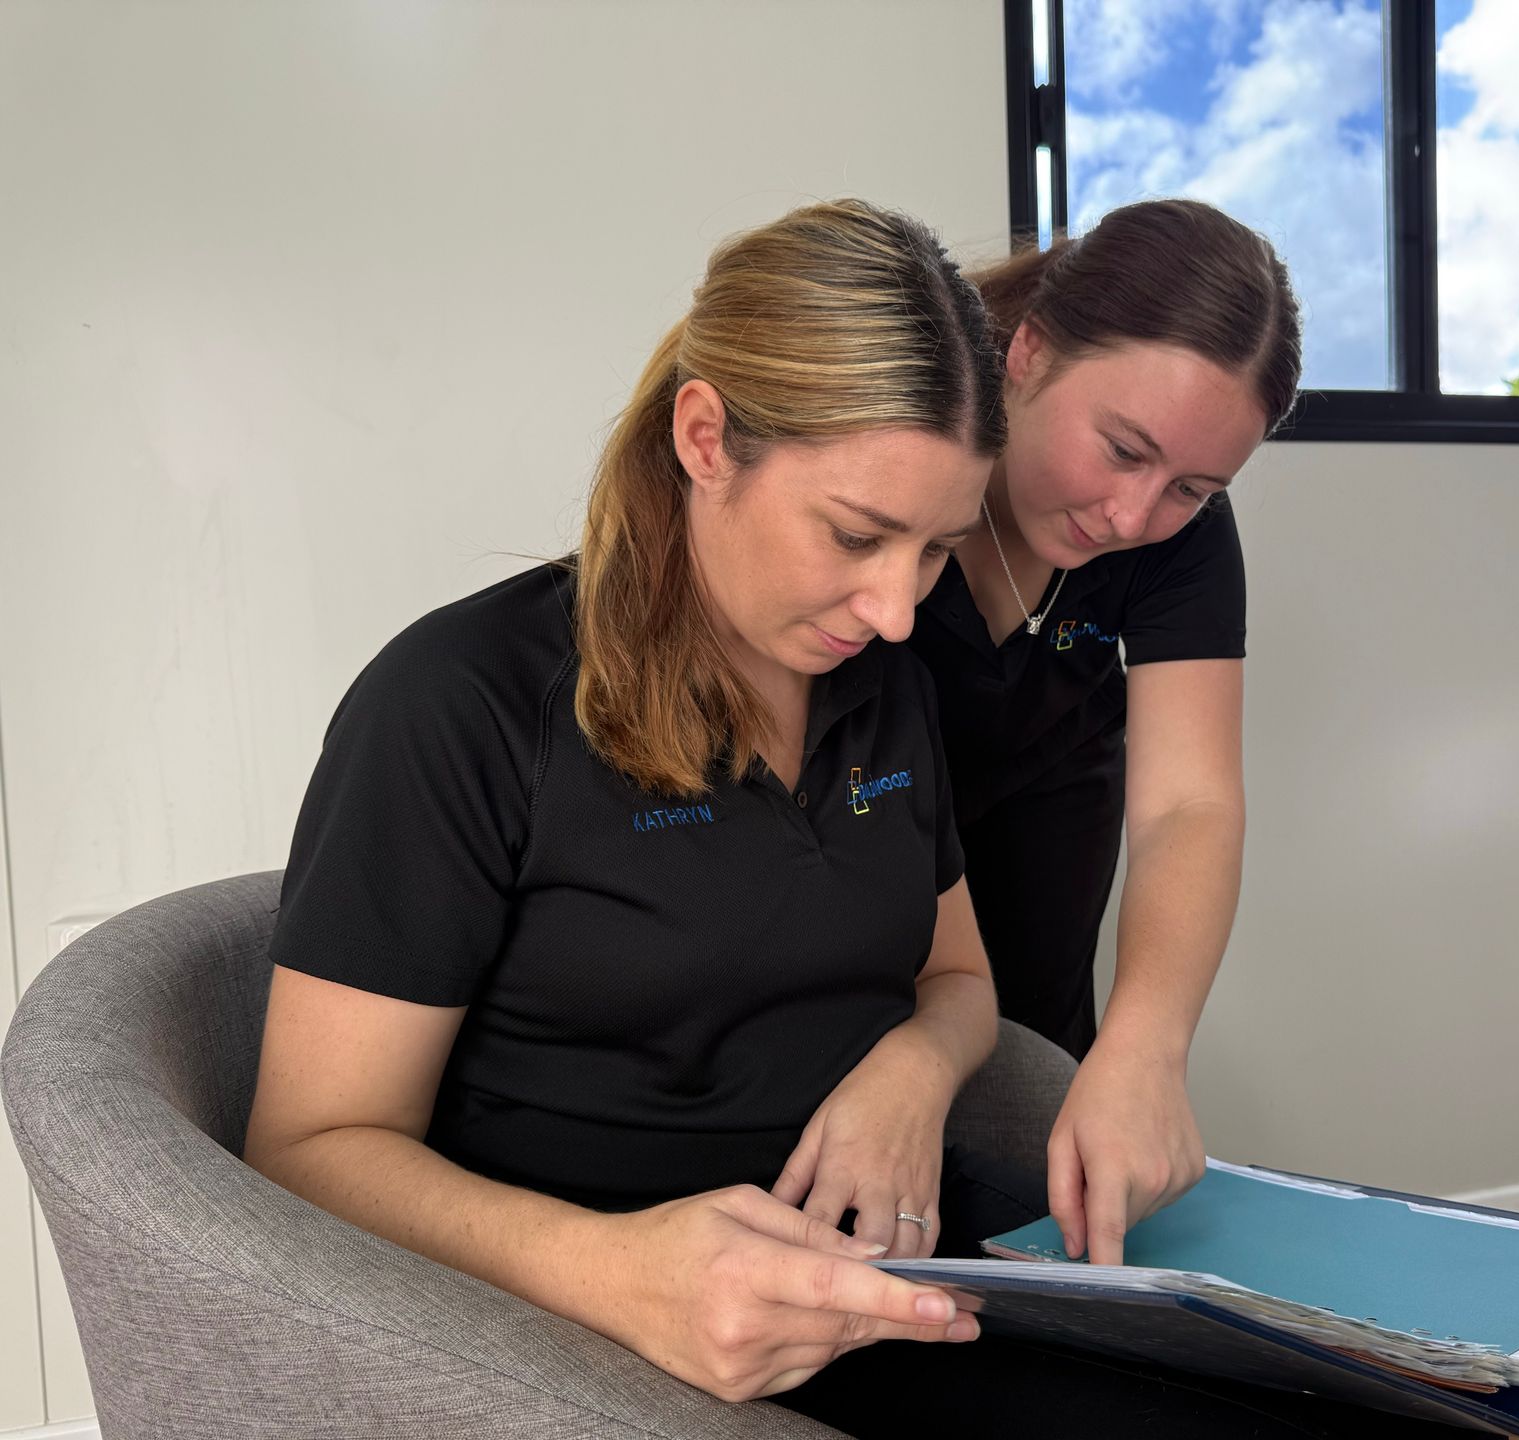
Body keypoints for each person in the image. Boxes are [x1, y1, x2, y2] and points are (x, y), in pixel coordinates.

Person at [242, 197, 1413, 1438]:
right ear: (706, 438)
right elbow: (310, 1144)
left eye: (934, 551)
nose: (905, 608)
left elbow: (962, 974)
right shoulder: (457, 704)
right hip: (601, 1342)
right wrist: (616, 1269)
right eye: (859, 536)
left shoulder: (876, 680)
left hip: (902, 1296)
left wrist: (912, 1067)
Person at [908, 199, 1304, 1268]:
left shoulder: (1178, 541)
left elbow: (1189, 803)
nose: (1132, 519)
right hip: (862, 842)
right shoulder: (898, 461)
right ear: (1026, 352)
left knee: (1038, 1126)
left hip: (1046, 827)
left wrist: (1146, 1046)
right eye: (1122, 451)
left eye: (1190, 487)